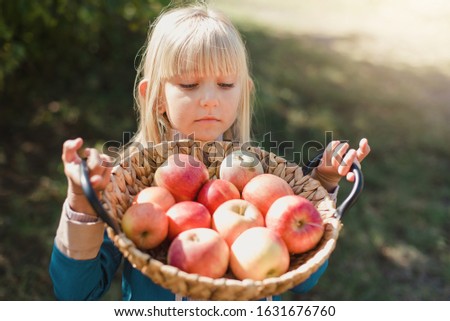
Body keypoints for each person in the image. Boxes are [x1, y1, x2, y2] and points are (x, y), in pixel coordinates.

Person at [49, 2, 371, 301]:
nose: (209, 99)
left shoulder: (258, 184)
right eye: (189, 85)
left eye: (226, 84)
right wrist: (82, 199)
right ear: (155, 98)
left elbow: (304, 279)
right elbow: (77, 293)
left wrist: (323, 181)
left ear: (244, 93)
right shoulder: (134, 191)